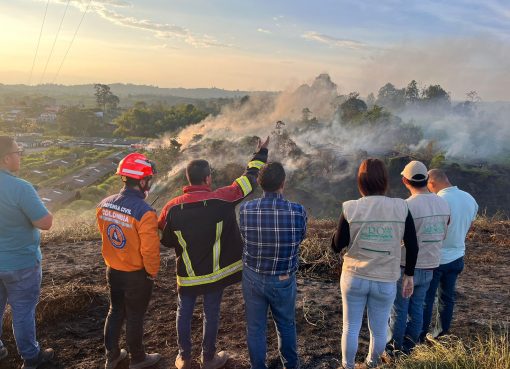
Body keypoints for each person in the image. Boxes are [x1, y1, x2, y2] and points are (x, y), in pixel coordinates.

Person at [159, 137, 269, 369]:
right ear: (208, 178)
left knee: (184, 312)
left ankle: (183, 357)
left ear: (188, 178)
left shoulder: (171, 207)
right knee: (212, 313)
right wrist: (261, 154)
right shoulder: (222, 198)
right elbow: (250, 180)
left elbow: (165, 238)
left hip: (187, 275)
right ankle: (208, 358)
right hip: (215, 274)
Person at [331, 158, 418, 369]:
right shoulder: (401, 207)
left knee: (350, 327)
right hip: (385, 279)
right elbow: (413, 246)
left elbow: (337, 245)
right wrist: (409, 275)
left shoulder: (351, 208)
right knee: (379, 330)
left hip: (354, 276)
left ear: (360, 182)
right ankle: (372, 364)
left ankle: (348, 366)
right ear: (384, 181)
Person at [96, 153, 161, 369]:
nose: (148, 183)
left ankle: (112, 355)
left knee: (115, 311)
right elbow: (150, 251)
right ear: (142, 181)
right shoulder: (146, 212)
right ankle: (138, 358)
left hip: (112, 270)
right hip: (136, 275)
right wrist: (152, 272)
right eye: (148, 180)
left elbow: (105, 234)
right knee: (134, 316)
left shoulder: (103, 204)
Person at [240, 162, 307, 369]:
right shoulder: (298, 211)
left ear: (260, 184)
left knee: (255, 327)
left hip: (252, 276)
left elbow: (244, 236)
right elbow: (300, 237)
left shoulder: (245, 209)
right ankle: (290, 365)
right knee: (286, 325)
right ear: (283, 183)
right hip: (283, 279)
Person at [0, 136, 54, 369]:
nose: (20, 155)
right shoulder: (21, 187)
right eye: (17, 151)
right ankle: (31, 358)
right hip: (21, 262)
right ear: (5, 158)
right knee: (22, 312)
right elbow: (45, 222)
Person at [387, 161, 450, 355]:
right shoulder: (443, 203)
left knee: (399, 310)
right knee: (418, 309)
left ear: (405, 180)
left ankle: (393, 350)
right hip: (431, 265)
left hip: (406, 268)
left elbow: (395, 237)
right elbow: (444, 233)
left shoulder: (406, 206)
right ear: (426, 180)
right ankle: (409, 347)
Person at [420, 169, 478, 340]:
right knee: (447, 298)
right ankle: (440, 332)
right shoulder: (469, 198)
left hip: (436, 257)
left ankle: (421, 334)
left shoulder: (438, 201)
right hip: (457, 255)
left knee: (427, 299)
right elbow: (467, 223)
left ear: (432, 183)